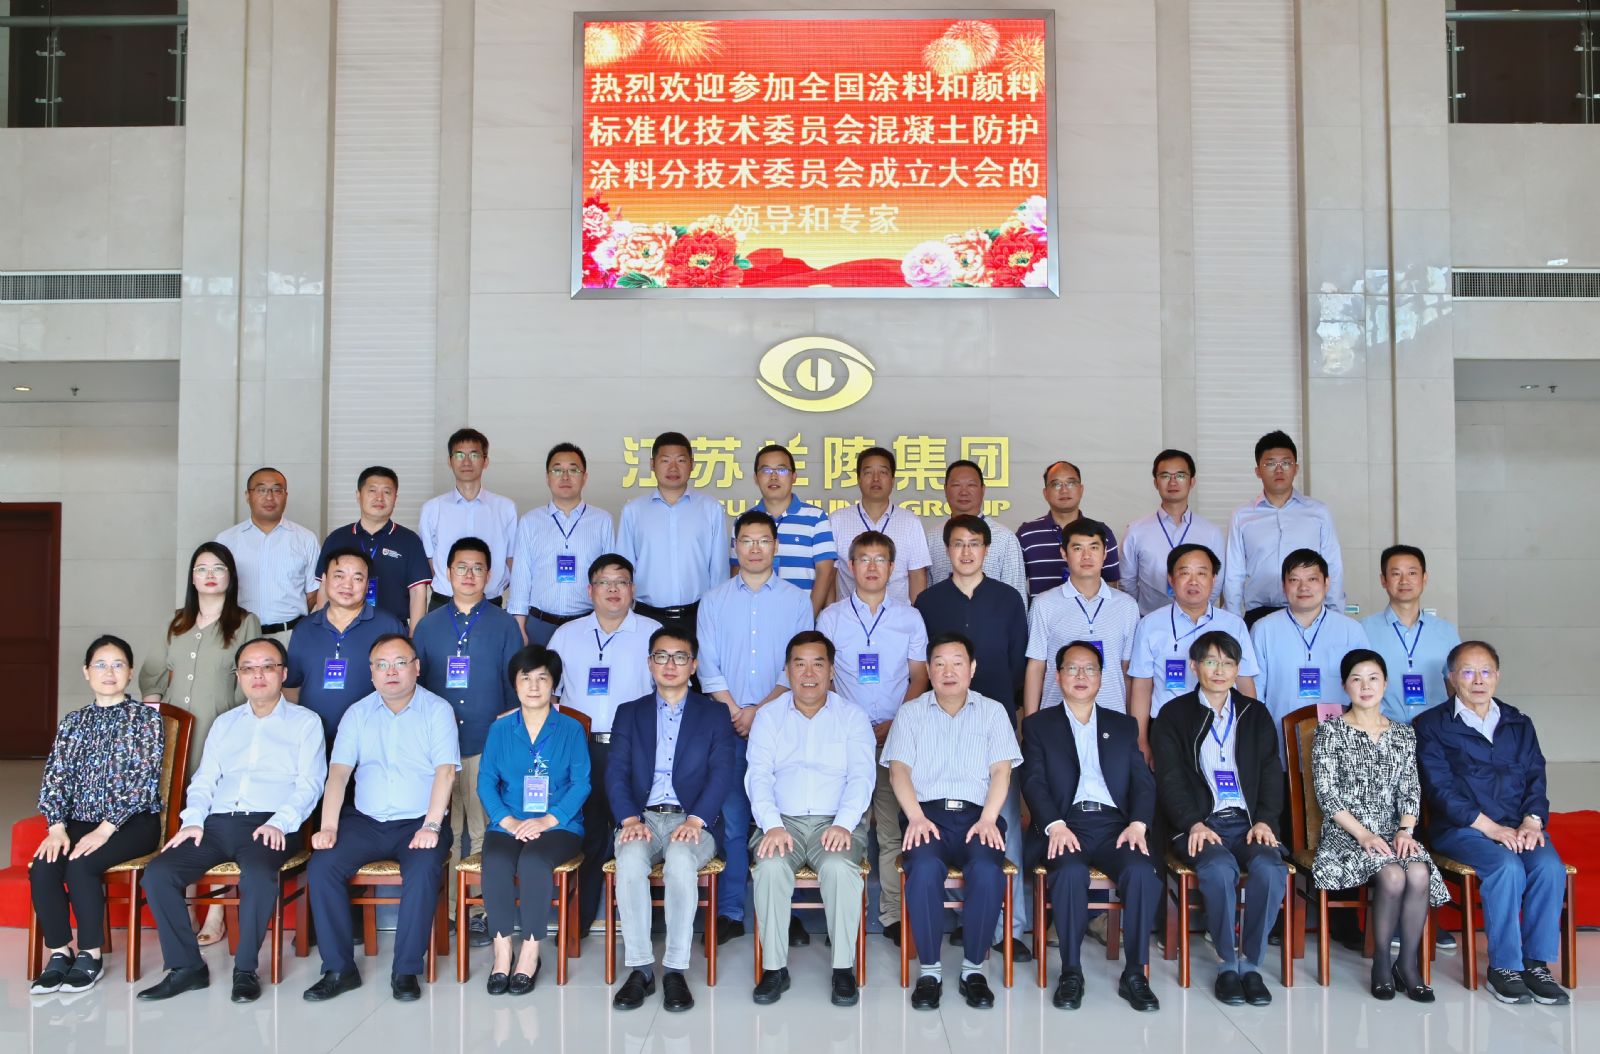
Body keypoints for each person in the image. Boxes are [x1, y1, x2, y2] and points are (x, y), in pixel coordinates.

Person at [136, 637, 326, 1003]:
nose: (258, 675)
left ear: (283, 673)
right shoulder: (225, 724)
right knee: (159, 874)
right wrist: (193, 820)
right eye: (248, 669)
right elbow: (204, 780)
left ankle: (245, 970)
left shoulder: (306, 723)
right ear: (238, 676)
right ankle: (187, 967)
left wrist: (280, 822)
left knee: (257, 874)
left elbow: (311, 784)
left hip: (270, 824)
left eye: (268, 667)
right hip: (216, 823)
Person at [302, 634, 460, 1003]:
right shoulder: (357, 713)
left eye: (400, 663)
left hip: (419, 822)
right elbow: (339, 773)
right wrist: (328, 826)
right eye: (382, 665)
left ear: (417, 668)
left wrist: (432, 825)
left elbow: (445, 772)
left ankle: (405, 970)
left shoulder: (437, 710)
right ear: (371, 672)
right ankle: (339, 969)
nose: (391, 672)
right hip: (365, 822)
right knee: (322, 866)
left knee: (423, 869)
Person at [1415, 641, 1570, 1006]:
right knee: (1506, 867)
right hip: (1461, 829)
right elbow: (1440, 790)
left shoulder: (1518, 722)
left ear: (1497, 676)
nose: (1478, 680)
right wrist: (1491, 828)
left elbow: (1536, 776)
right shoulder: (1431, 725)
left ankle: (1535, 964)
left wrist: (1532, 821)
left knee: (1549, 867)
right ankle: (1505, 967)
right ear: (1451, 677)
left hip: (1517, 826)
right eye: (1468, 672)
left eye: (1486, 671)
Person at [696, 509, 815, 945]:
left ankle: (783, 912)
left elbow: (799, 666)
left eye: (764, 540)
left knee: (779, 818)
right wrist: (734, 709)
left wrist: (759, 712)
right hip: (725, 724)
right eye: (747, 540)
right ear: (735, 546)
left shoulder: (797, 600)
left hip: (780, 723)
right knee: (732, 820)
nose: (755, 548)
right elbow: (707, 664)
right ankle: (730, 911)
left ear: (775, 546)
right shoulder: (713, 600)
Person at [1021, 641, 1161, 1012]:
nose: (1081, 676)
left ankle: (1135, 973)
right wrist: (1054, 824)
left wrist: (1138, 824)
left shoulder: (1123, 725)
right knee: (1069, 873)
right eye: (1072, 668)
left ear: (1101, 677)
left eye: (1090, 669)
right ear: (1058, 676)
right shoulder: (1039, 725)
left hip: (1117, 826)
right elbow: (1033, 781)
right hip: (1066, 824)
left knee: (1142, 873)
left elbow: (1142, 782)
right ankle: (1071, 971)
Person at [915, 513, 1031, 959]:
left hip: (994, 721)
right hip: (941, 725)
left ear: (986, 549)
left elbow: (1020, 662)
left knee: (1003, 823)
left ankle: (1011, 927)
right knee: (950, 817)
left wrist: (1012, 710)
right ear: (946, 551)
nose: (966, 551)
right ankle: (969, 920)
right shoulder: (929, 601)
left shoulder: (1007, 599)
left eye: (974, 543)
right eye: (958, 544)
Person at [884, 632, 1021, 1011]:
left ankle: (973, 970)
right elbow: (898, 771)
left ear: (972, 669)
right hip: (926, 816)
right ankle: (930, 972)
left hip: (980, 817)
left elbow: (1002, 771)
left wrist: (990, 819)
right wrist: (915, 817)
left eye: (957, 663)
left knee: (987, 871)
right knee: (925, 869)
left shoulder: (993, 711)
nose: (949, 671)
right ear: (928, 670)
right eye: (940, 664)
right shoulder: (911, 713)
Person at [1152, 630, 1288, 1008]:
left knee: (1270, 869)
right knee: (1217, 868)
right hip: (1200, 824)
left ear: (1237, 669)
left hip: (1249, 823)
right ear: (1194, 666)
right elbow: (1170, 778)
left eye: (1228, 663)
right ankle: (1228, 963)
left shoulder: (1255, 713)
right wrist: (1192, 823)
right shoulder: (1173, 715)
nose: (1219, 670)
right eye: (1210, 662)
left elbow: (1270, 772)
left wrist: (1265, 821)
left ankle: (1251, 964)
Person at [28, 636, 165, 996]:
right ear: (86, 672)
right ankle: (60, 952)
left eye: (118, 664)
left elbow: (141, 782)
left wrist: (105, 829)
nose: (109, 672)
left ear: (130, 672)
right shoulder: (73, 722)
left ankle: (90, 954)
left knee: (81, 863)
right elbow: (55, 777)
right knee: (43, 865)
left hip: (133, 823)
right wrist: (57, 827)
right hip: (80, 821)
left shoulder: (145, 720)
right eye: (100, 664)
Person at [745, 631, 876, 1008]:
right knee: (770, 867)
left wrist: (844, 823)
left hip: (834, 822)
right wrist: (771, 824)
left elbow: (862, 777)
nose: (808, 673)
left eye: (818, 664)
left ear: (831, 670)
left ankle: (843, 968)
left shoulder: (852, 716)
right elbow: (758, 775)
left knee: (838, 867)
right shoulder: (768, 716)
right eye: (799, 664)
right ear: (787, 670)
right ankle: (774, 969)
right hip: (780, 822)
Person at [608, 628, 735, 1014]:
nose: (670, 664)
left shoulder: (714, 714)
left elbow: (722, 772)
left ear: (693, 666)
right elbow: (616, 771)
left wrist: (696, 820)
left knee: (680, 861)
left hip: (693, 819)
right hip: (642, 817)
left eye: (680, 657)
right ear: (650, 663)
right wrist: (629, 818)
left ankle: (676, 969)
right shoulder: (629, 712)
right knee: (630, 860)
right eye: (661, 656)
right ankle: (641, 968)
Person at [1311, 649, 1448, 1002]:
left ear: (1385, 683)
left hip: (1392, 831)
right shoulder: (1330, 732)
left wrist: (1405, 830)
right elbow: (1327, 794)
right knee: (1393, 875)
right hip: (1347, 833)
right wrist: (1363, 834)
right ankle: (1382, 963)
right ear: (1345, 686)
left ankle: (1408, 965)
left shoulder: (1403, 734)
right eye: (1356, 679)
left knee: (1418, 872)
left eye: (1373, 678)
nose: (1365, 686)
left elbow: (1410, 789)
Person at [815, 531, 929, 946]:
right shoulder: (831, 618)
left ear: (892, 568)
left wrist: (897, 722)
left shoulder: (910, 617)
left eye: (880, 559)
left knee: (891, 830)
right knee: (846, 824)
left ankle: (893, 914)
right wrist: (853, 725)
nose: (872, 567)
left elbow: (919, 677)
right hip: (846, 738)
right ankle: (847, 916)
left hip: (896, 737)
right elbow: (824, 679)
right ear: (850, 566)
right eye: (863, 559)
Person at [412, 537, 524, 945]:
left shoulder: (504, 624)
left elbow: (515, 689)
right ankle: (447, 910)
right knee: (443, 827)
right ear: (447, 572)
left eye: (478, 567)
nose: (469, 575)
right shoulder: (428, 625)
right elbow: (417, 687)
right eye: (461, 567)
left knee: (480, 828)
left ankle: (479, 911)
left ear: (489, 575)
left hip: (484, 740)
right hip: (438, 746)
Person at [547, 554, 662, 942]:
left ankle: (646, 928)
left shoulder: (653, 633)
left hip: (637, 751)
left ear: (633, 589)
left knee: (640, 834)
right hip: (583, 750)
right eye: (604, 582)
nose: (613, 589)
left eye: (621, 582)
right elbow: (551, 697)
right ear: (590, 589)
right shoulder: (567, 635)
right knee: (589, 836)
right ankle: (577, 923)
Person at [476, 645, 590, 995]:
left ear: (555, 683)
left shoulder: (571, 728)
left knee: (534, 861)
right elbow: (485, 781)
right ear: (515, 683)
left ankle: (529, 952)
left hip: (559, 824)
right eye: (526, 678)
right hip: (508, 820)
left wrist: (548, 820)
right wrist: (506, 820)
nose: (534, 686)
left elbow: (581, 783)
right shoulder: (500, 729)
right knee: (496, 860)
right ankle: (502, 952)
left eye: (543, 678)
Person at [1127, 544, 1258, 763]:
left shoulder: (1233, 625)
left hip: (1223, 728)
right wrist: (1141, 740)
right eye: (1185, 573)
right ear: (1171, 579)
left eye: (1202, 573)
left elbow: (1245, 683)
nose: (1193, 581)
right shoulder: (1150, 624)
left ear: (1214, 579)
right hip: (1168, 728)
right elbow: (1142, 686)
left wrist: (1250, 731)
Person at [140, 541, 262, 777]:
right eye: (202, 569)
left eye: (218, 568)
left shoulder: (246, 622)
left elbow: (249, 682)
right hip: (172, 726)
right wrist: (153, 729)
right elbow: (152, 677)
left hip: (218, 726)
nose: (210, 575)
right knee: (169, 788)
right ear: (193, 578)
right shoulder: (175, 622)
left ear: (230, 576)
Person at [1249, 549, 1368, 760]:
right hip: (1279, 745)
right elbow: (1255, 692)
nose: (1303, 587)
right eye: (1294, 580)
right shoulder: (1263, 629)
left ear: (1327, 583)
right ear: (1284, 585)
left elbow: (1367, 688)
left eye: (1312, 579)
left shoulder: (1351, 630)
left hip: (1340, 746)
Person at [283, 550, 406, 743]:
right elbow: (292, 687)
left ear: (367, 585)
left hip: (371, 740)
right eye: (339, 576)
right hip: (313, 739)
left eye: (357, 578)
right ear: (324, 579)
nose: (347, 585)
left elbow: (404, 687)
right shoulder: (304, 628)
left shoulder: (388, 626)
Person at [1223, 431, 1344, 624]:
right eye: (1270, 464)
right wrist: (1232, 621)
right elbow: (1233, 573)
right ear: (1258, 471)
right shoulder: (1242, 515)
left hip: (1309, 612)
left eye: (1286, 463)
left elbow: (1333, 566)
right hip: (1260, 613)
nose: (1279, 470)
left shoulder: (1318, 512)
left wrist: (1336, 615)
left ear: (1296, 468)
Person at [1023, 519, 1139, 717]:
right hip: (1055, 718)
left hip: (1112, 717)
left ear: (1105, 553)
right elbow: (1036, 668)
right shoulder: (1044, 603)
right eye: (1077, 548)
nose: (1086, 556)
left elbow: (1127, 671)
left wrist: (1131, 724)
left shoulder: (1127, 606)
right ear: (1064, 553)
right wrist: (1030, 723)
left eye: (1094, 547)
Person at [616, 431, 729, 628]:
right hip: (646, 616)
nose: (673, 468)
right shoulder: (633, 511)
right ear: (652, 464)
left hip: (697, 616)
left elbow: (719, 570)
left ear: (692, 464)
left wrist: (717, 614)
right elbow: (624, 568)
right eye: (665, 460)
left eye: (681, 460)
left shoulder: (711, 509)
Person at [507, 442, 616, 645]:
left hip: (586, 623)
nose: (565, 477)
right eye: (557, 470)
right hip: (539, 624)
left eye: (573, 470)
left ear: (585, 477)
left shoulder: (602, 521)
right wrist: (519, 626)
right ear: (547, 477)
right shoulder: (530, 521)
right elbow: (521, 577)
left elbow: (610, 578)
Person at [317, 466, 431, 630]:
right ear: (358, 495)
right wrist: (321, 630)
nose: (379, 498)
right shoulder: (337, 538)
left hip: (393, 631)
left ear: (395, 498)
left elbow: (418, 593)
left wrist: (414, 637)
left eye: (387, 492)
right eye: (372, 491)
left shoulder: (410, 540)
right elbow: (324, 588)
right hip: (342, 630)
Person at [418, 428, 518, 609]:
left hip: (490, 603)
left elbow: (512, 561)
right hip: (444, 603)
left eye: (474, 455)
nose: (466, 461)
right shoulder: (432, 509)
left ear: (485, 461)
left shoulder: (505, 508)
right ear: (450, 461)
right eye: (459, 455)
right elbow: (429, 562)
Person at [1361, 545, 1461, 725]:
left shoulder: (1446, 631)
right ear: (1383, 580)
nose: (1404, 581)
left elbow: (1455, 685)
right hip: (1382, 729)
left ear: (1424, 578)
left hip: (1435, 731)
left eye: (1412, 573)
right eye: (1396, 574)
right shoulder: (1363, 630)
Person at [215, 467, 320, 636]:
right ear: (248, 495)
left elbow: (313, 592)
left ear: (286, 495)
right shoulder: (226, 540)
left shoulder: (306, 539)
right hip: (241, 634)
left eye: (277, 490)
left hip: (290, 635)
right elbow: (217, 590)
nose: (269, 497)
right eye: (261, 490)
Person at [1121, 450, 1225, 615]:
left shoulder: (1211, 532)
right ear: (1156, 482)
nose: (1173, 482)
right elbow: (1127, 582)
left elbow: (1216, 582)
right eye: (1165, 476)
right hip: (1149, 619)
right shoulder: (1135, 530)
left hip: (1197, 621)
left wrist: (1196, 611)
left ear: (1192, 481)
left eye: (1180, 475)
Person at [827, 446, 930, 604]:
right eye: (868, 472)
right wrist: (832, 613)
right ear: (858, 479)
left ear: (893, 480)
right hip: (849, 616)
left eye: (883, 472)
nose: (876, 479)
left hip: (898, 616)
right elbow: (828, 576)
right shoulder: (837, 520)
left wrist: (916, 615)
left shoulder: (910, 522)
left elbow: (917, 577)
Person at [748, 442, 837, 617]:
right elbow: (737, 573)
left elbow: (825, 573)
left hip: (804, 617)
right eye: (766, 470)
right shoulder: (744, 521)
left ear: (794, 476)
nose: (774, 476)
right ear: (756, 478)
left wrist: (807, 618)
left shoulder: (816, 518)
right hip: (757, 619)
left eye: (781, 470)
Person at [1017, 460, 1122, 600]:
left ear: (1081, 489)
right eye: (1056, 484)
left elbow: (1111, 583)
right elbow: (1015, 583)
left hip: (1092, 613)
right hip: (1041, 613)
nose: (1064, 490)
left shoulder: (1102, 532)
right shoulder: (1026, 534)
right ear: (1045, 493)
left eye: (1071, 483)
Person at [924, 460, 1027, 601]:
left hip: (992, 614)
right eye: (956, 485)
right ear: (945, 489)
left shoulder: (1005, 538)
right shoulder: (932, 537)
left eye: (971, 485)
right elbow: (927, 594)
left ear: (983, 489)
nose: (964, 492)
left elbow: (1016, 597)